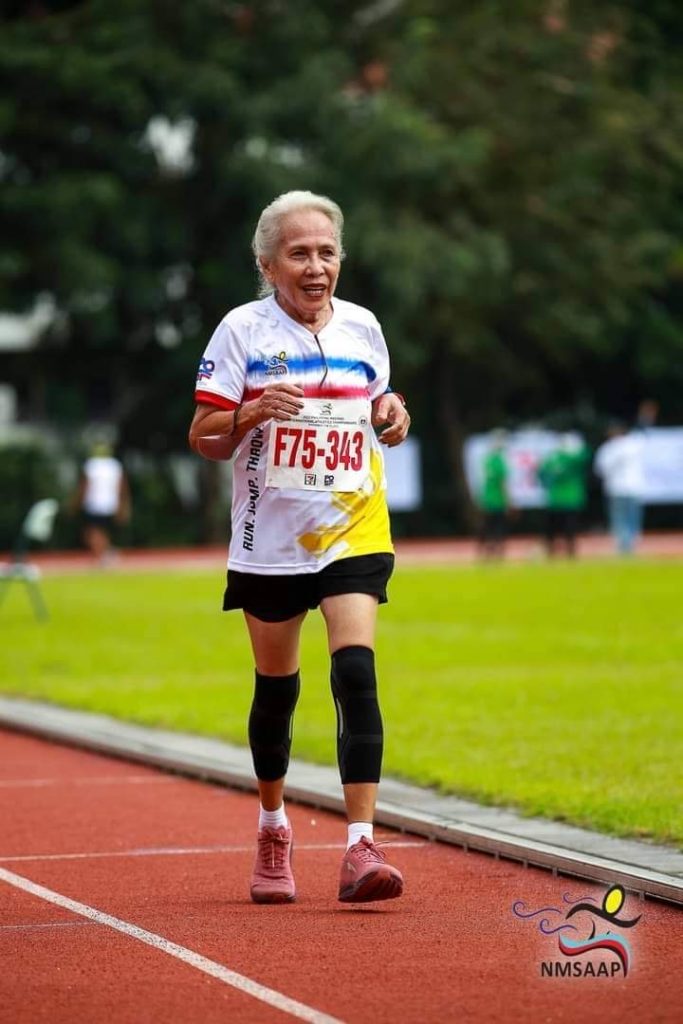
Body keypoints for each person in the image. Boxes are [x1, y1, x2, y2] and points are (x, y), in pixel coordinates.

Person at [188, 190, 411, 905]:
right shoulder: (240, 332)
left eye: (326, 252)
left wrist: (392, 414)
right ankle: (273, 823)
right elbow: (202, 435)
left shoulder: (363, 328)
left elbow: (382, 405)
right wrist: (251, 410)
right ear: (267, 263)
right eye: (299, 253)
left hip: (353, 527)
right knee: (277, 692)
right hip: (269, 541)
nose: (316, 267)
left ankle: (359, 845)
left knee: (354, 673)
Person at [73, 443, 130, 565]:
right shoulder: (115, 466)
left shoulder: (91, 466)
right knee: (100, 532)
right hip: (110, 503)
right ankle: (106, 554)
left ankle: (103, 556)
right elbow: (121, 487)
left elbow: (85, 486)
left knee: (93, 532)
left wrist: (78, 502)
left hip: (94, 503)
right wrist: (122, 504)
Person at [594, 422, 645, 555]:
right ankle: (630, 543)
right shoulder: (634, 445)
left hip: (617, 488)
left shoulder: (608, 448)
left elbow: (601, 469)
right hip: (633, 487)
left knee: (620, 518)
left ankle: (624, 544)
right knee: (631, 517)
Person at [536, 434, 589, 558]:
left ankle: (552, 551)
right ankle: (570, 551)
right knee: (569, 527)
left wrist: (547, 485)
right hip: (570, 498)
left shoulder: (552, 457)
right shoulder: (573, 457)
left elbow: (541, 473)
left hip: (556, 498)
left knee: (553, 528)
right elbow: (586, 456)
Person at [477, 430, 509, 560]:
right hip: (497, 499)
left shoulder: (487, 460)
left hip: (487, 498)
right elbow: (502, 484)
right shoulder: (499, 461)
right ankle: (497, 550)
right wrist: (508, 501)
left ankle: (484, 550)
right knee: (498, 526)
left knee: (487, 526)